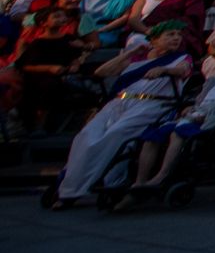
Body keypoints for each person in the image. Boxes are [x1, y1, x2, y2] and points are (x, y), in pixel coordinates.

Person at [49, 20, 194, 207]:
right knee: (85, 136)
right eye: (170, 34)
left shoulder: (182, 57)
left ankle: (112, 183)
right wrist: (130, 53)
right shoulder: (137, 59)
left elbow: (183, 70)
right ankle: (69, 189)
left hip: (153, 104)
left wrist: (165, 69)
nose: (176, 38)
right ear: (154, 40)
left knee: (116, 134)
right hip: (120, 102)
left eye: (178, 35)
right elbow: (101, 72)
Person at [128, 37, 215, 193]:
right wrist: (191, 107)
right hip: (198, 112)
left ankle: (162, 176)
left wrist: (213, 111)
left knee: (178, 132)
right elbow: (200, 100)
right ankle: (140, 180)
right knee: (154, 135)